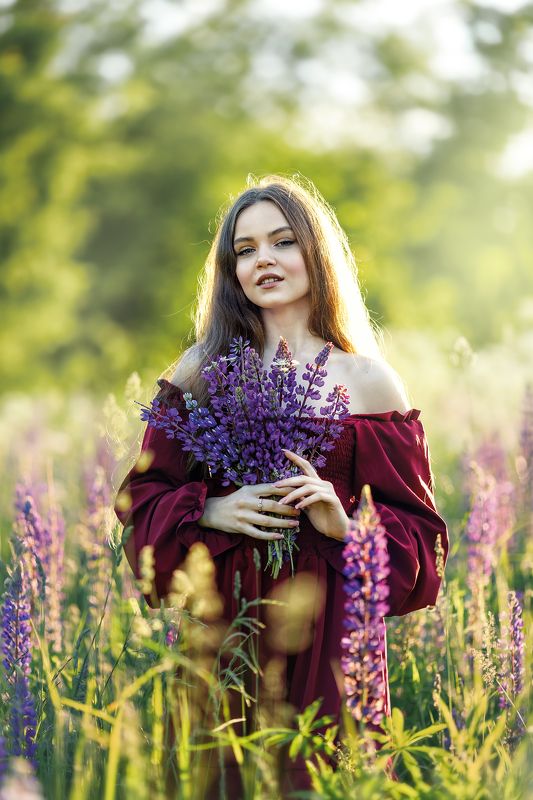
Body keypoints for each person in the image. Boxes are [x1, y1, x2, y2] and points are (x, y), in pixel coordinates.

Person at [113, 173, 448, 795]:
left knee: (319, 777)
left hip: (329, 632)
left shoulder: (370, 381)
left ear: (315, 254)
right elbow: (140, 503)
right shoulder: (199, 374)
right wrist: (213, 509)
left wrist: (345, 524)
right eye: (245, 250)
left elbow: (422, 538)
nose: (263, 259)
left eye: (282, 241)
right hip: (224, 623)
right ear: (230, 270)